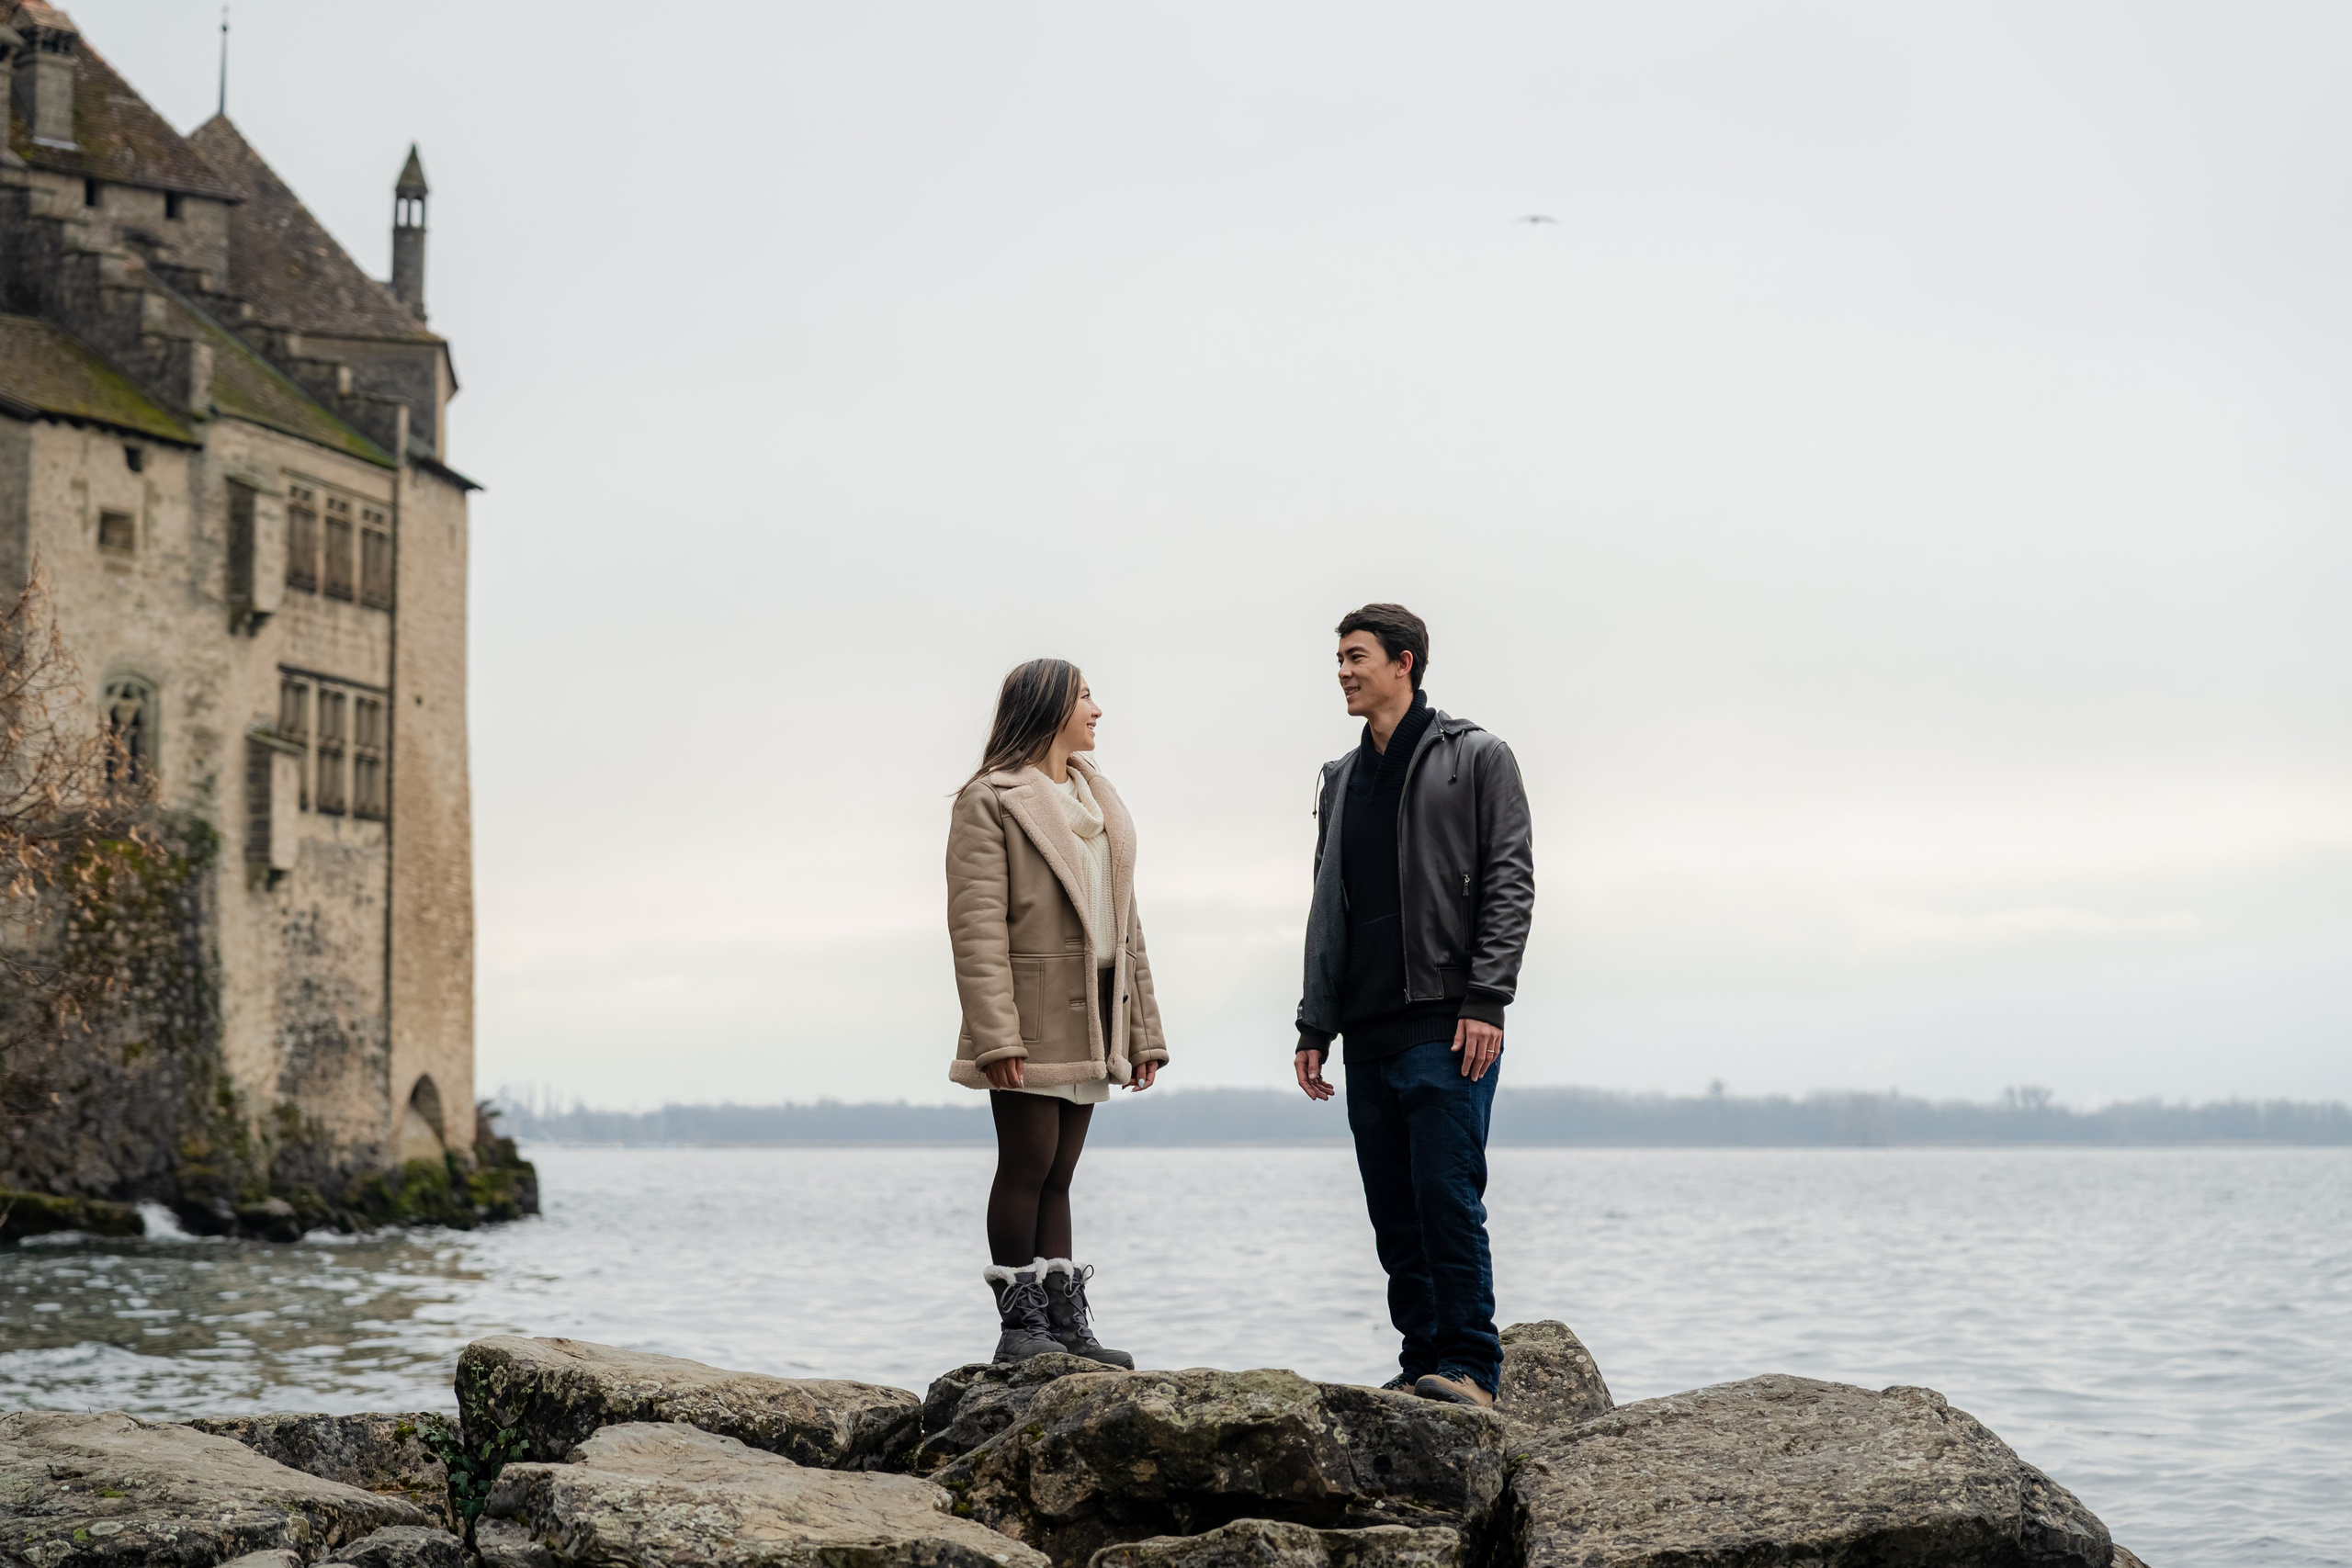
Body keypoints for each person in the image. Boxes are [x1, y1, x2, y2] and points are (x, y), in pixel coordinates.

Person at [1292, 604, 1535, 1407]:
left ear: (1404, 662)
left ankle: (1472, 1366)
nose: (1342, 671)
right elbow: (1329, 906)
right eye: (1337, 658)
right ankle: (1422, 1357)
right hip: (1365, 1028)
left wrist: (1487, 1000)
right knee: (1394, 1210)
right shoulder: (1339, 776)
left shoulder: (1477, 758)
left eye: (1355, 656)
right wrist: (1314, 1022)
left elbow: (1509, 880)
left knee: (1445, 1193)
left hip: (1448, 1019)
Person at [948, 658, 1169, 1367]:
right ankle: (1021, 1329)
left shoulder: (1096, 798)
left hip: (1098, 1010)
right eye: (1085, 696)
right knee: (1027, 1161)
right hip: (1030, 1012)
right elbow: (976, 927)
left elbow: (1126, 925)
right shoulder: (990, 798)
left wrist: (1144, 1035)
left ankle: (1065, 1326)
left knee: (1061, 1173)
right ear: (1048, 706)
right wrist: (995, 1034)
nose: (1098, 709)